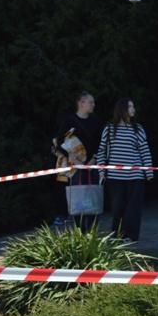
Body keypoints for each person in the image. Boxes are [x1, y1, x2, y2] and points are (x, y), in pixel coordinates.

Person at [98, 98, 153, 241]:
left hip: (135, 176)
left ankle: (131, 236)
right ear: (122, 109)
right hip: (115, 177)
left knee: (133, 209)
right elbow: (102, 151)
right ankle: (116, 235)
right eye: (130, 107)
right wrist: (101, 172)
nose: (133, 109)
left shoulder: (138, 129)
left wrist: (148, 172)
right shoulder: (109, 129)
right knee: (117, 209)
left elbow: (144, 151)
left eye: (133, 106)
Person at [53, 91, 104, 230]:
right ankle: (79, 231)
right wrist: (71, 157)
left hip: (92, 165)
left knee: (93, 194)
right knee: (77, 197)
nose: (93, 105)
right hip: (75, 167)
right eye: (90, 102)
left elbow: (101, 143)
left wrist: (94, 159)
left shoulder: (96, 121)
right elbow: (59, 141)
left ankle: (93, 231)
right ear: (81, 103)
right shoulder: (69, 121)